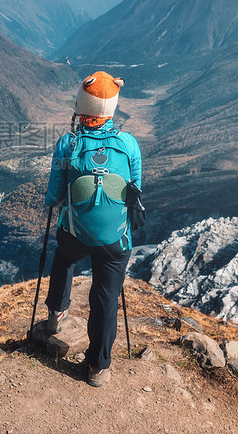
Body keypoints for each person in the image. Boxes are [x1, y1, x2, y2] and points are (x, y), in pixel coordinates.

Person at [43, 71, 143, 387]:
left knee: (63, 259)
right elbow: (135, 188)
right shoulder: (128, 143)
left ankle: (57, 313)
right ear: (111, 109)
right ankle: (99, 366)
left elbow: (55, 193)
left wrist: (56, 202)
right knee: (106, 297)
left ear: (80, 107)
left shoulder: (68, 143)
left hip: (75, 232)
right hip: (115, 238)